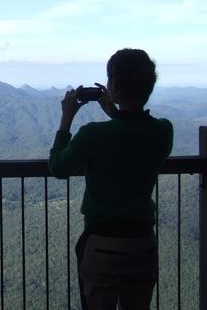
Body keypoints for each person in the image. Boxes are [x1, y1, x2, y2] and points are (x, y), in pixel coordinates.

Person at [49, 49, 173, 310]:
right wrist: (115, 111)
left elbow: (59, 167)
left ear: (113, 84)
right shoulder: (163, 131)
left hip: (102, 245)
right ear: (150, 85)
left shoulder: (93, 135)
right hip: (143, 244)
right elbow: (132, 133)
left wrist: (66, 117)